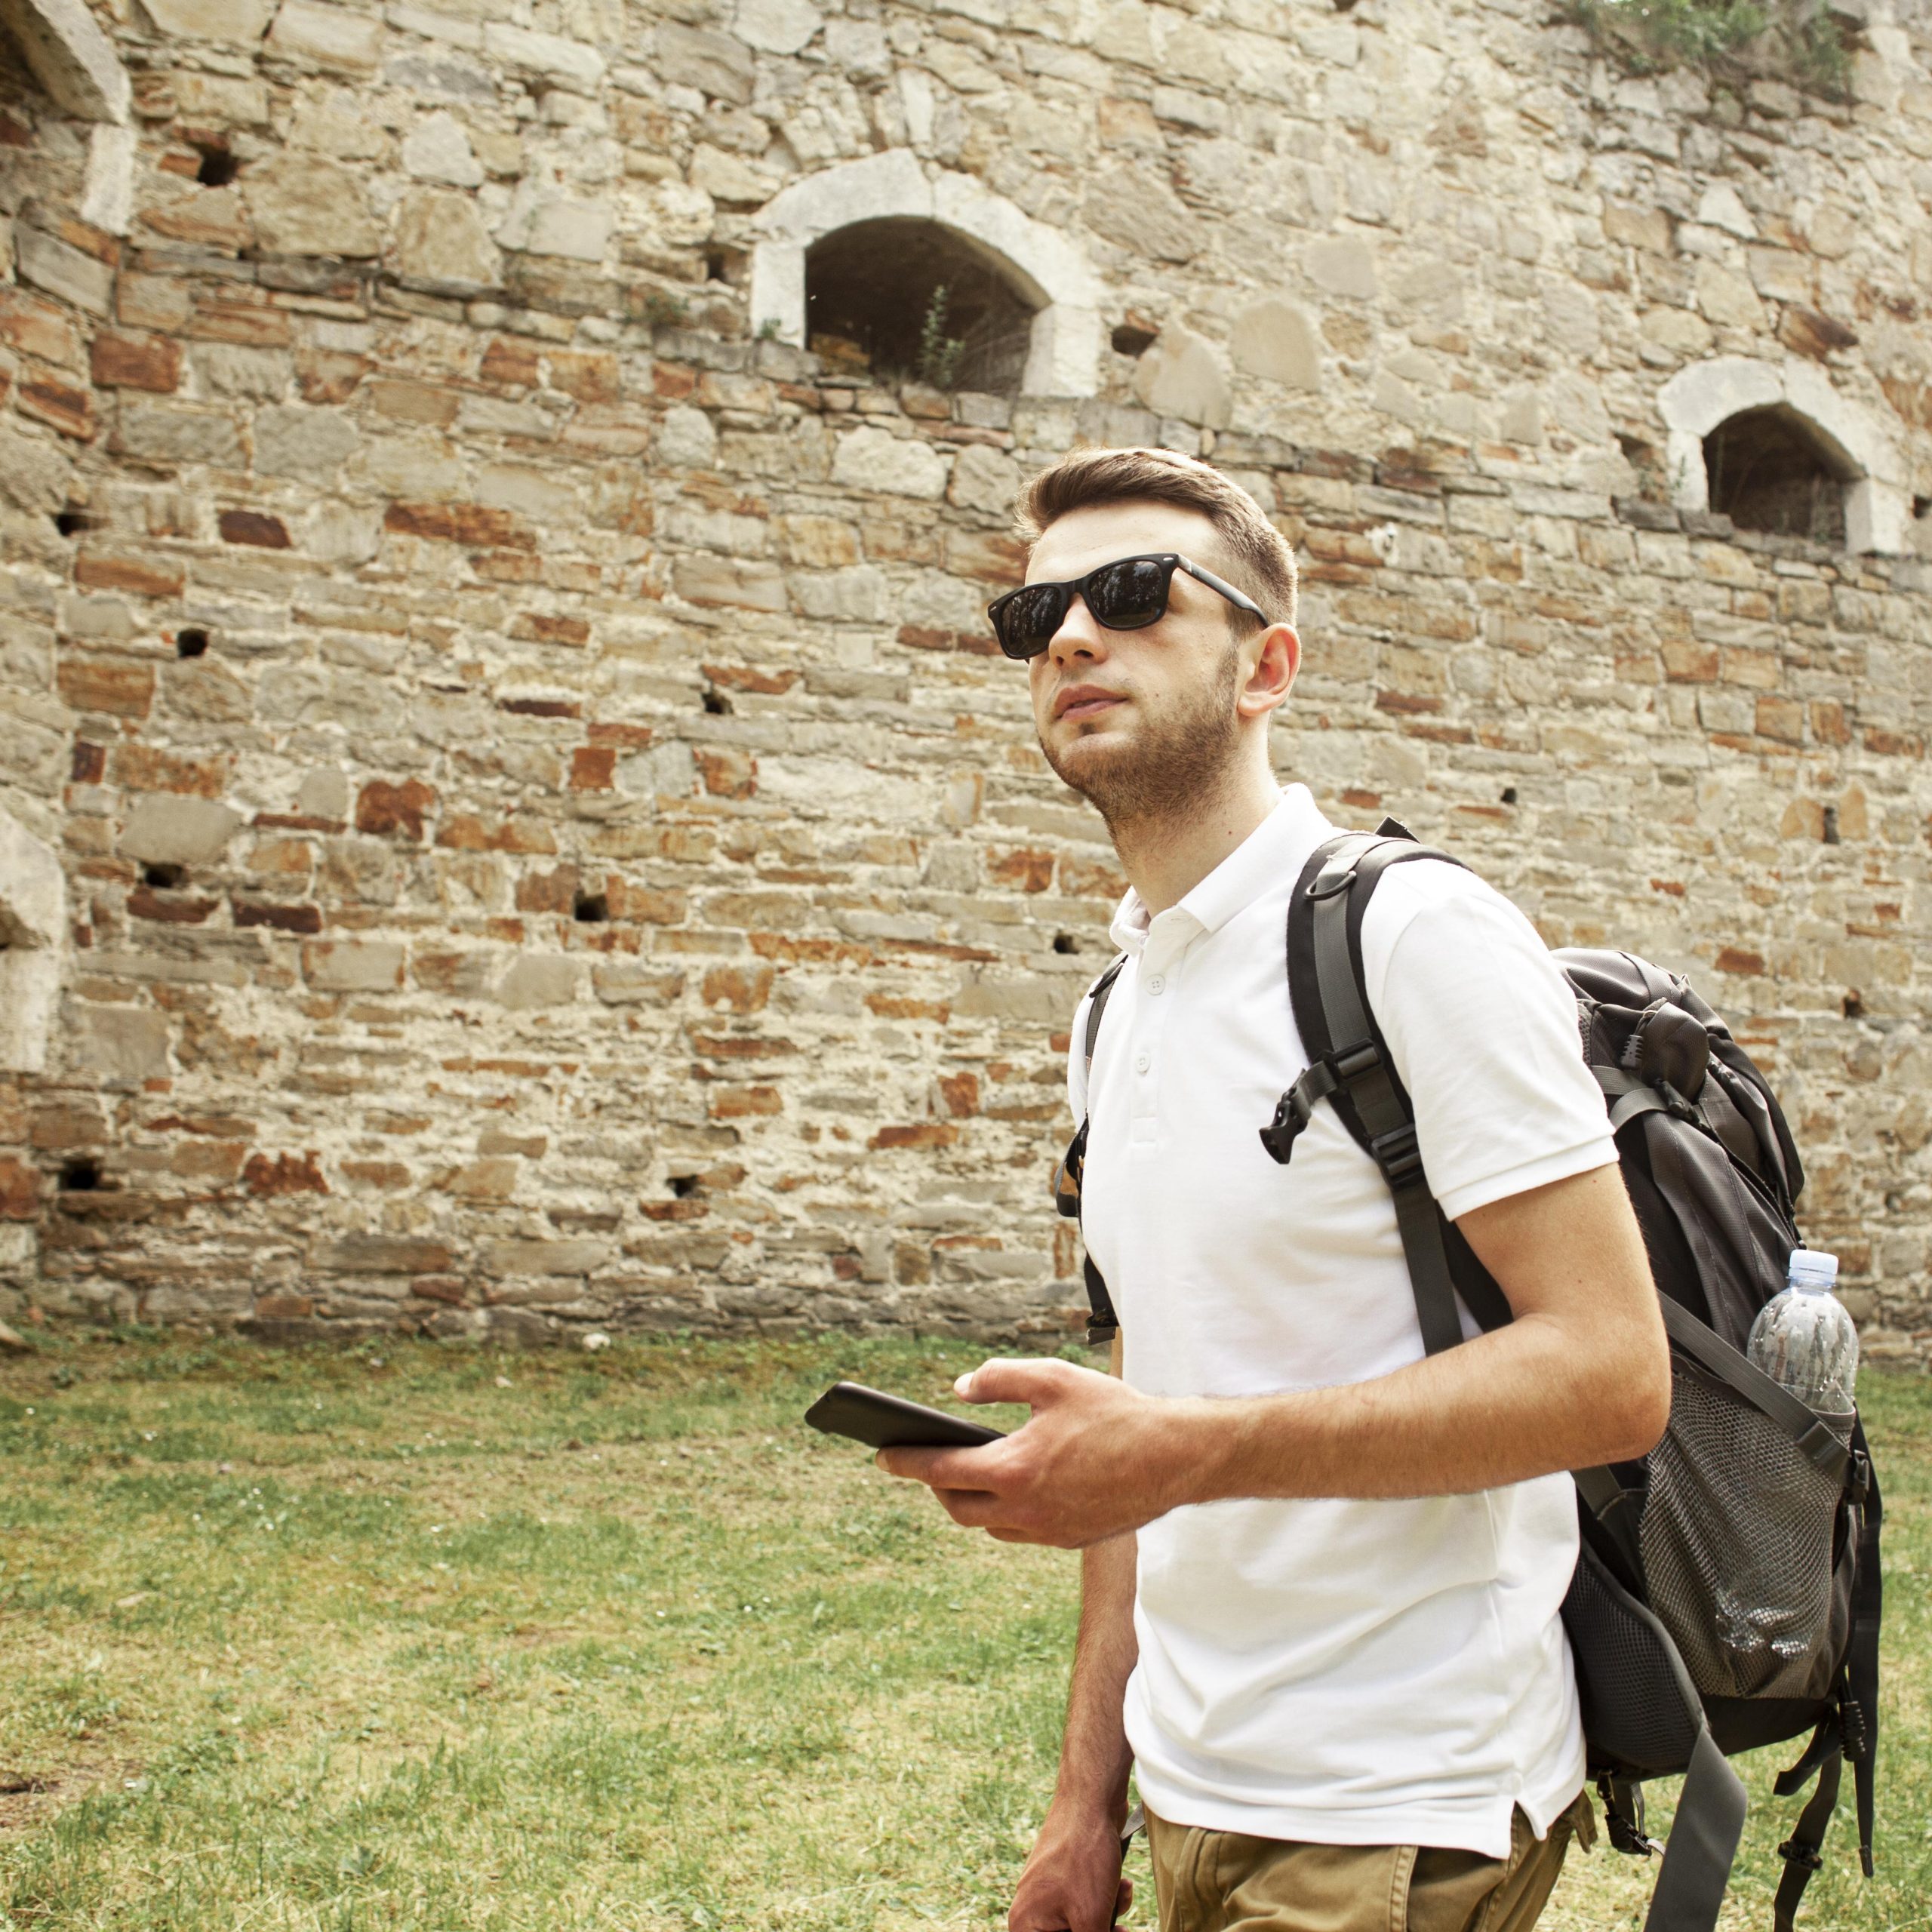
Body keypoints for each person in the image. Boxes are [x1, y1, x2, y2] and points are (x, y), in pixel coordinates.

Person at [877, 448, 1673, 1932]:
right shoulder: (1114, 1006)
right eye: (1031, 609)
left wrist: (1183, 1449)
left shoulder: (1412, 936)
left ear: (1267, 664)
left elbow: (1611, 1373)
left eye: (1126, 594)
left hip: (1389, 1805)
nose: (1066, 635)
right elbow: (1141, 1411)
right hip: (1193, 1779)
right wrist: (1085, 1805)